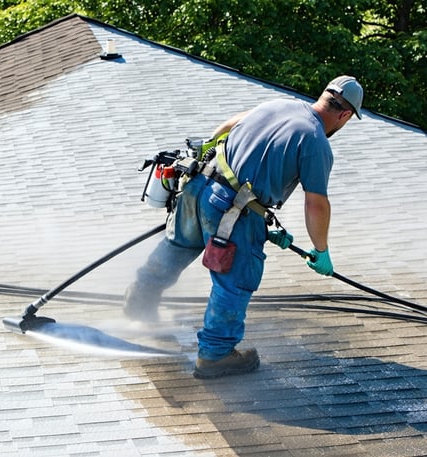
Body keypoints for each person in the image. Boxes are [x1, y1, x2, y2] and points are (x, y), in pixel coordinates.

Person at [124, 75, 364, 379]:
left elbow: (229, 126)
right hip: (231, 210)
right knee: (235, 280)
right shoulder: (315, 142)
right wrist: (321, 250)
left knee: (177, 246)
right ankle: (215, 355)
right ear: (345, 115)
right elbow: (316, 204)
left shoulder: (282, 104)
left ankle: (138, 303)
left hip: (199, 185)